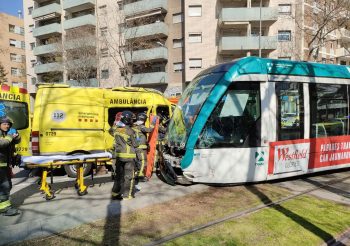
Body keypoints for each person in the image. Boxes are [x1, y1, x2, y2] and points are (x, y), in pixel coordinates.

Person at [109, 111, 138, 200]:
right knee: (129, 177)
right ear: (128, 120)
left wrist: (116, 123)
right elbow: (136, 144)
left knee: (118, 176)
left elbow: (110, 131)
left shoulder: (116, 129)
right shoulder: (130, 131)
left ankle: (115, 193)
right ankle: (128, 195)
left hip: (119, 157)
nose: (132, 121)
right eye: (131, 120)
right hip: (129, 157)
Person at [0, 116, 21, 216]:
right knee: (4, 186)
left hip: (5, 165)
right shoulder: (5, 135)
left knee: (7, 185)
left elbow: (17, 141)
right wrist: (10, 137)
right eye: (4, 124)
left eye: (8, 124)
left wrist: (16, 136)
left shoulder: (6, 133)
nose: (7, 126)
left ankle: (4, 204)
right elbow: (2, 144)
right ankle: (4, 209)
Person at [133, 113, 157, 184]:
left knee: (137, 162)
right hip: (141, 149)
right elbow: (149, 130)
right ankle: (141, 176)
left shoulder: (134, 126)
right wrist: (153, 122)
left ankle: (137, 175)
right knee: (143, 162)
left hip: (136, 148)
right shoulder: (141, 126)